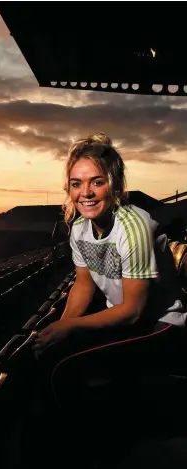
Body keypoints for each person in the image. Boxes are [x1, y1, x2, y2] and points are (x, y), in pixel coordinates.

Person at [33, 132, 186, 355]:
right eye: (77, 184)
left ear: (113, 185)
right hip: (120, 321)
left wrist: (71, 326)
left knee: (69, 366)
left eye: (97, 182)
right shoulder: (79, 228)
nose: (86, 193)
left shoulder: (135, 226)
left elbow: (133, 311)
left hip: (161, 324)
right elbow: (84, 285)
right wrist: (60, 326)